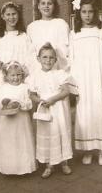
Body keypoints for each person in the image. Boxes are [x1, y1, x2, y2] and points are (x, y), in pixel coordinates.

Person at [0, 2, 35, 167]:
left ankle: (19, 160)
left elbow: (31, 58)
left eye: (14, 14)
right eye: (8, 14)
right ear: (3, 16)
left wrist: (23, 70)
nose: (12, 17)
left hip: (18, 83)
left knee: (18, 119)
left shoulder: (24, 37)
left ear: (18, 16)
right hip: (1, 84)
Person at [69, 0, 102, 165]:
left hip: (97, 79)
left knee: (99, 113)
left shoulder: (100, 31)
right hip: (82, 80)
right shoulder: (74, 33)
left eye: (90, 12)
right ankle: (88, 150)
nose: (87, 15)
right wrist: (74, 83)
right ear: (78, 13)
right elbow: (72, 60)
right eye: (84, 12)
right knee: (84, 116)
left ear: (95, 13)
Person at [27, 43, 75, 178]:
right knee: (48, 135)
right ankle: (49, 165)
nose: (48, 61)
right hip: (44, 110)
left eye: (51, 58)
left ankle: (64, 162)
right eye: (44, 57)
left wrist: (53, 99)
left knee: (61, 133)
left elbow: (66, 91)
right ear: (38, 59)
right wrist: (41, 101)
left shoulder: (60, 74)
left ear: (55, 60)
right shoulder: (34, 76)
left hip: (59, 109)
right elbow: (32, 94)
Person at [0, 61, 36, 174]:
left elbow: (29, 104)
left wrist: (19, 104)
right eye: (12, 75)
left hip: (21, 121)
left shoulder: (25, 87)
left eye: (18, 75)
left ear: (22, 75)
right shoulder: (3, 88)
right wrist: (3, 103)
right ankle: (8, 167)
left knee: (21, 142)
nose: (15, 78)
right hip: (6, 122)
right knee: (8, 143)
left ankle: (23, 167)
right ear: (6, 76)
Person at [27, 0, 70, 70]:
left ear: (54, 6)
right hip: (38, 69)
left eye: (49, 3)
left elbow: (65, 50)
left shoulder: (61, 24)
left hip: (58, 68)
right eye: (43, 3)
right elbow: (30, 52)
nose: (46, 6)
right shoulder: (32, 27)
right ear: (38, 6)